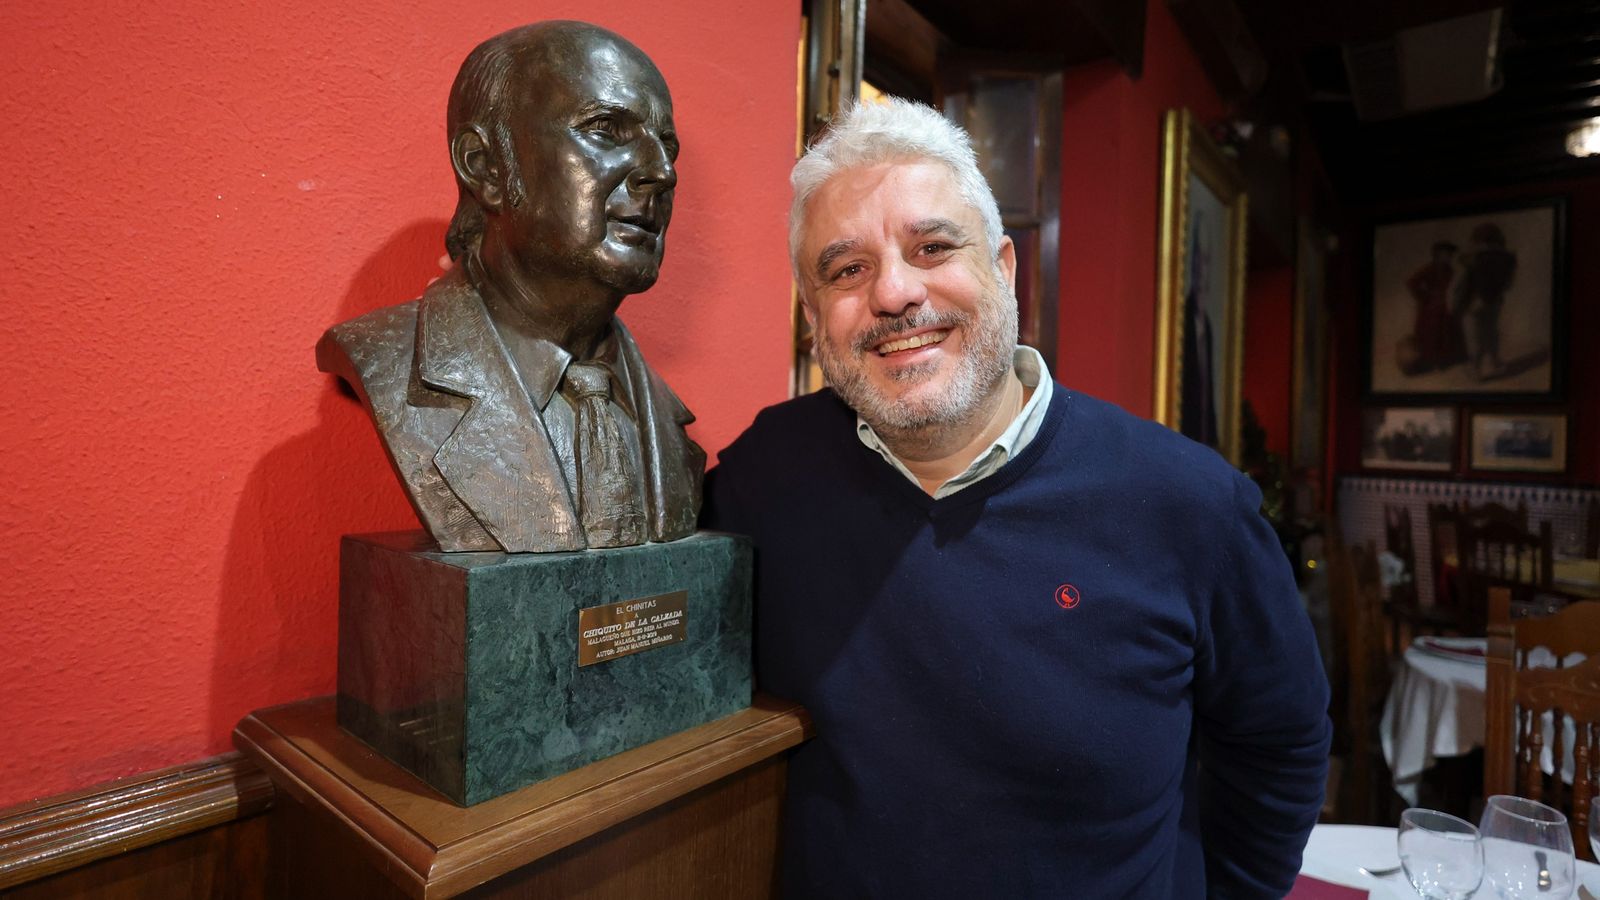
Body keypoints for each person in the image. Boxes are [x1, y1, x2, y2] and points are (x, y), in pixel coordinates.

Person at [702, 98, 1330, 898]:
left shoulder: (1192, 506)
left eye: (932, 247)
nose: (894, 294)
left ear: (1004, 268)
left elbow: (1279, 743)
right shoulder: (767, 475)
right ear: (813, 318)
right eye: (846, 269)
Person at [318, 22, 703, 553]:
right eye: (606, 130)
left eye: (667, 146)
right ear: (488, 167)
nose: (661, 173)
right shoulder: (386, 358)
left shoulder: (667, 421)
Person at [1454, 222, 1517, 381]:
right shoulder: (1508, 258)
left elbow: (1462, 282)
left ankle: (1475, 371)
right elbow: (1509, 284)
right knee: (1491, 332)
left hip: (1473, 302)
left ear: (1477, 239)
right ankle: (1495, 363)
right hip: (1495, 301)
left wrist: (1457, 302)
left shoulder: (1471, 257)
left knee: (1473, 336)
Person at [1404, 241, 1464, 374]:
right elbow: (1411, 283)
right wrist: (1425, 297)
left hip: (1445, 306)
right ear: (1437, 255)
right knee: (1431, 333)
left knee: (1446, 332)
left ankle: (1443, 360)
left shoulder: (1450, 270)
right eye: (1445, 254)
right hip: (1430, 310)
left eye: (1450, 254)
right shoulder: (1429, 268)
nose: (1448, 257)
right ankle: (1430, 361)